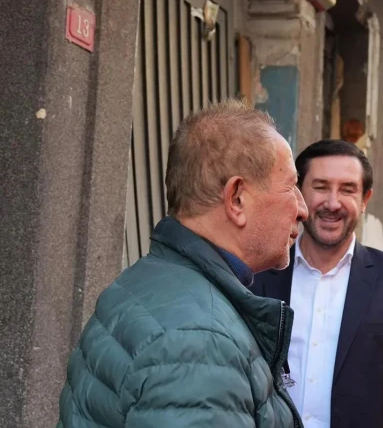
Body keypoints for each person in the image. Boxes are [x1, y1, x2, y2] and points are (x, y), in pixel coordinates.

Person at [57, 99, 309, 428]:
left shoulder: (150, 281)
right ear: (236, 198)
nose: (303, 208)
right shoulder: (200, 344)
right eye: (291, 186)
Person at [251, 139, 383, 428]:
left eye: (347, 189)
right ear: (298, 193)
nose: (332, 203)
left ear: (365, 199)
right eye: (321, 187)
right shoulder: (256, 273)